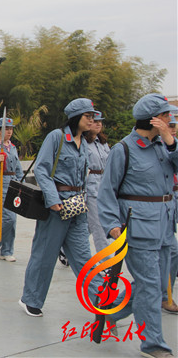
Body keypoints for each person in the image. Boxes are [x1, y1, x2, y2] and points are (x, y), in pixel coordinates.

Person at [98, 94, 178, 358]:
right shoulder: (124, 149)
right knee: (151, 285)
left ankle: (108, 312)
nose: (172, 119)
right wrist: (111, 224)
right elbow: (107, 190)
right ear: (154, 119)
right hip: (139, 227)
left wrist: (170, 141)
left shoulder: (164, 146)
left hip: (165, 226)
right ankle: (153, 344)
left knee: (153, 285)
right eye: (167, 116)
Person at [19, 98, 101, 317]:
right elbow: (43, 169)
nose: (92, 120)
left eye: (93, 117)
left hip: (77, 207)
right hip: (56, 207)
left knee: (84, 257)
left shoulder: (84, 142)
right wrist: (53, 199)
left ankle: (101, 302)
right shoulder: (56, 137)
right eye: (88, 116)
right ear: (76, 117)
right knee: (45, 255)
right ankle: (32, 299)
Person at [0, 117, 24, 262]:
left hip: (13, 184)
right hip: (0, 184)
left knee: (13, 220)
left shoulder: (12, 147)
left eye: (11, 128)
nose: (9, 131)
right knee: (8, 217)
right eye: (6, 128)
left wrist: (22, 184)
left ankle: (6, 251)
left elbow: (18, 168)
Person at [84, 111, 111, 254]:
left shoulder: (103, 143)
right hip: (91, 187)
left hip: (104, 185)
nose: (98, 124)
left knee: (89, 225)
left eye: (100, 121)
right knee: (99, 226)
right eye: (95, 121)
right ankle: (106, 263)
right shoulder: (83, 143)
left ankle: (65, 249)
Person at [162, 114, 178, 313]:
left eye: (173, 125)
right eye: (169, 125)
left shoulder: (173, 146)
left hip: (172, 200)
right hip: (158, 205)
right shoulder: (154, 146)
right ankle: (165, 297)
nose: (171, 129)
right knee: (171, 251)